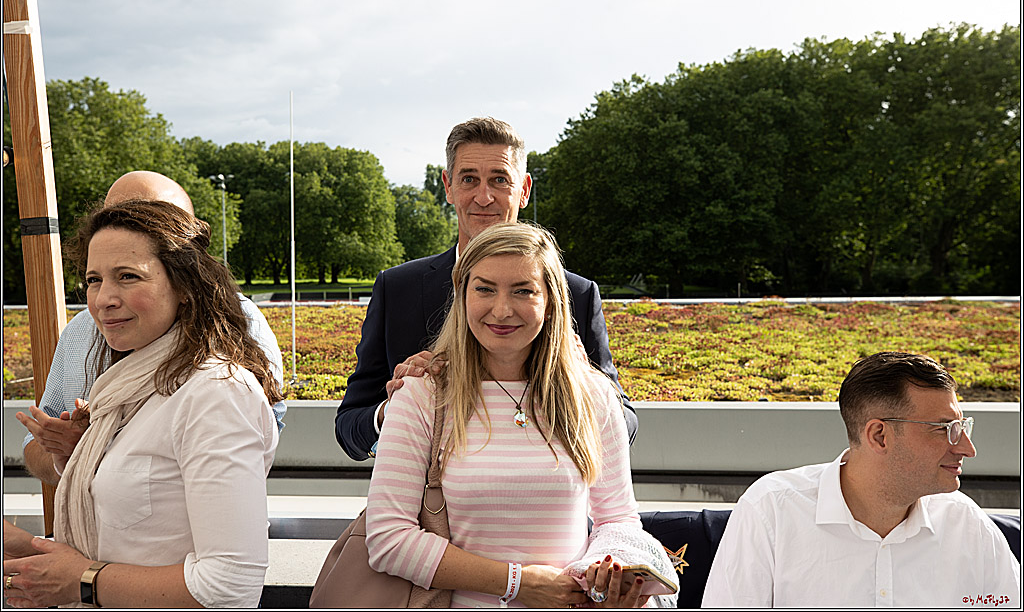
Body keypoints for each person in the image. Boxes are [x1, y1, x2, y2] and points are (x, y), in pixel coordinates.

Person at [364, 222, 665, 608]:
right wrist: (515, 583)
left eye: (523, 291)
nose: (501, 310)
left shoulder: (592, 394)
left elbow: (618, 520)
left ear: (551, 299)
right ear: (462, 292)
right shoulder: (423, 395)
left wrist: (605, 573)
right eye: (484, 289)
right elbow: (388, 539)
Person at [2, 200, 280, 608]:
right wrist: (23, 547)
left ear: (185, 286)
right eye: (94, 280)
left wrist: (81, 582)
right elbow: (133, 535)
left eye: (128, 277)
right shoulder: (126, 388)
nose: (103, 299)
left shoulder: (217, 394)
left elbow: (230, 584)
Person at [335, 117, 636, 461]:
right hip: (426, 510)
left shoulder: (575, 294)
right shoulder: (397, 288)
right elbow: (349, 430)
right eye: (469, 179)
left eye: (499, 179)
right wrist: (395, 410)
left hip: (543, 504)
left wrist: (581, 386)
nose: (483, 196)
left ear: (524, 190)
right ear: (447, 186)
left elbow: (625, 427)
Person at [17, 171, 285, 487]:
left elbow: (250, 446)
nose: (104, 299)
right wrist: (67, 452)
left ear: (185, 256)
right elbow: (38, 443)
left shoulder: (233, 343)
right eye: (93, 280)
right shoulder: (80, 331)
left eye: (150, 220)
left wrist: (98, 450)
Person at [702, 351, 1021, 608]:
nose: (968, 448)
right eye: (944, 429)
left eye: (963, 427)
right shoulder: (770, 512)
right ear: (880, 435)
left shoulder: (967, 525)